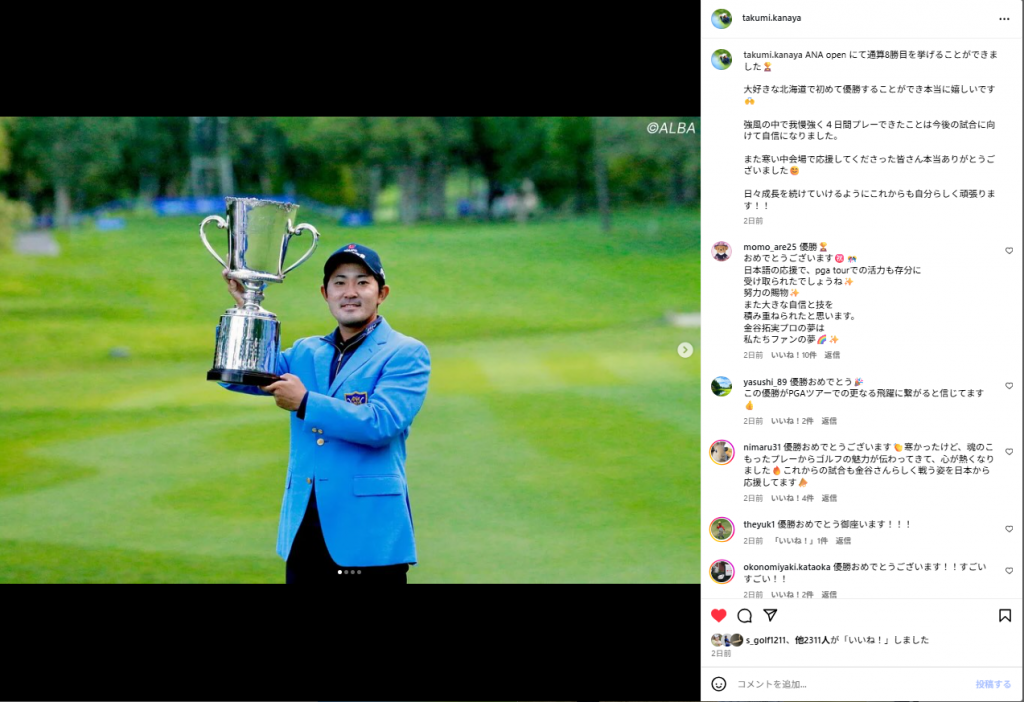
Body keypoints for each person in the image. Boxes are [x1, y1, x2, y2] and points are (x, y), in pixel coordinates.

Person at [218, 243, 430, 584]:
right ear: (325, 293)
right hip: (304, 532)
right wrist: (248, 310)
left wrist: (305, 402)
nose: (350, 292)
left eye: (362, 282)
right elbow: (239, 376)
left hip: (368, 535)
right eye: (339, 282)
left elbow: (381, 424)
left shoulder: (405, 352)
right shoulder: (306, 351)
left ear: (382, 293)